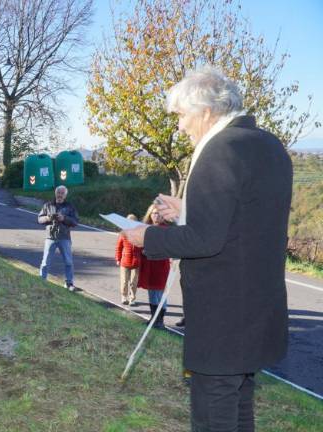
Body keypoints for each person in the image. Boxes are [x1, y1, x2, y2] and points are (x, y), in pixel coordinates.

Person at [121, 66, 292, 431]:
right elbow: (247, 219)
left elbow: (205, 241)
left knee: (213, 416)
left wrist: (145, 237)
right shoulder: (269, 146)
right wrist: (188, 211)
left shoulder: (218, 150)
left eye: (182, 116)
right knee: (240, 408)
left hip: (223, 319)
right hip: (257, 311)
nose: (180, 127)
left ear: (207, 111)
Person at [37, 185, 79, 291]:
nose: (60, 195)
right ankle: (42, 280)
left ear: (65, 195)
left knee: (68, 262)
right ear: (55, 193)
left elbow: (75, 222)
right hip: (50, 237)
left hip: (64, 237)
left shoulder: (70, 207)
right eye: (58, 193)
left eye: (62, 193)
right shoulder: (48, 205)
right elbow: (39, 219)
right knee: (46, 261)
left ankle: (69, 283)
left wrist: (64, 218)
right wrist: (48, 217)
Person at [136, 205, 170, 328]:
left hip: (160, 265)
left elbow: (166, 248)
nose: (156, 216)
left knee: (160, 293)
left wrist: (151, 251)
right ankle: (153, 317)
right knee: (151, 292)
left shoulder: (165, 229)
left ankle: (160, 320)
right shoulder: (145, 228)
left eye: (158, 213)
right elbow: (139, 245)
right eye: (153, 213)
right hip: (149, 264)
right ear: (149, 214)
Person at [115, 214, 142, 305]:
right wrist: (118, 259)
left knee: (134, 282)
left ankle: (132, 298)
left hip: (136, 262)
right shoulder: (123, 233)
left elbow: (142, 247)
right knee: (124, 281)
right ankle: (124, 296)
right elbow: (119, 247)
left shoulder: (139, 234)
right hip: (125, 262)